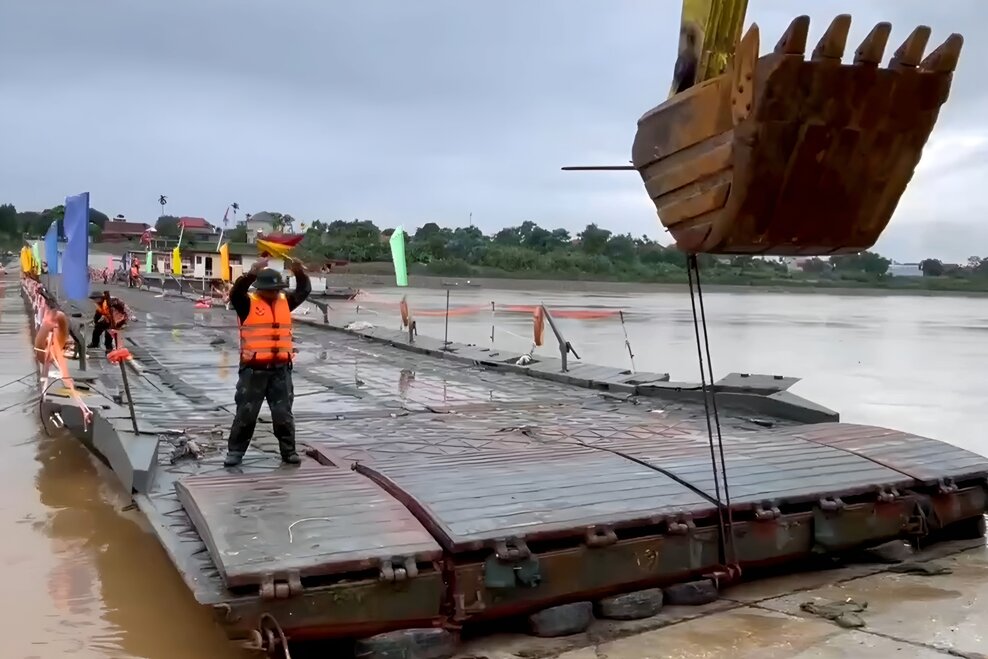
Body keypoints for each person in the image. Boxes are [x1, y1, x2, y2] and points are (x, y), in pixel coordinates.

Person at [224, 258, 310, 467]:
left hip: (280, 370)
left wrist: (299, 272)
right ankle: (235, 452)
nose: (273, 293)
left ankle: (288, 451)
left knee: (283, 415)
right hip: (253, 371)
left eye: (276, 289)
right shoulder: (246, 303)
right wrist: (251, 274)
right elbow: (235, 293)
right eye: (269, 289)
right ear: (260, 288)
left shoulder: (285, 301)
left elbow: (304, 290)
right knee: (246, 412)